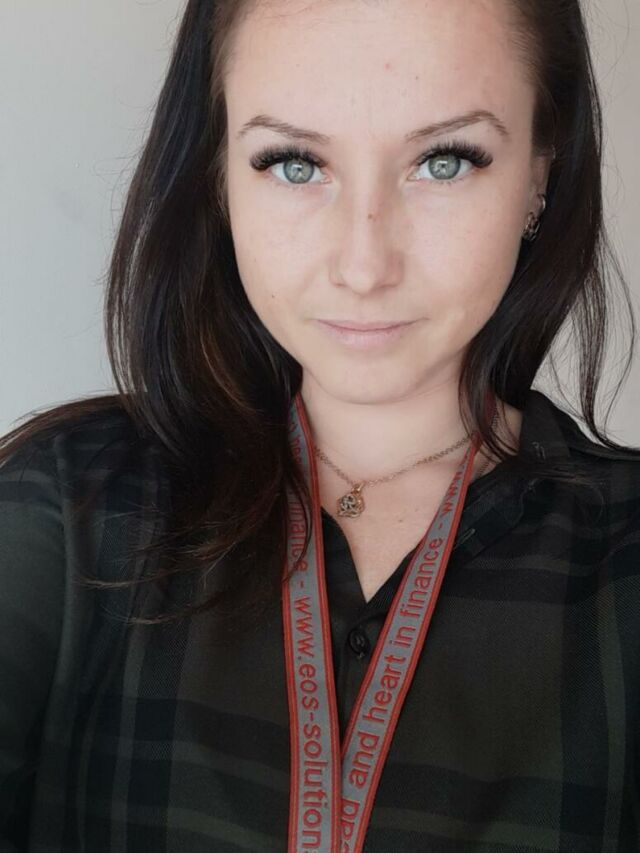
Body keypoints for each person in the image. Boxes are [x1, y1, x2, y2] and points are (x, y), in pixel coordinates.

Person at [1, 0, 639, 850]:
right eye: (295, 163)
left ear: (538, 173)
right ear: (218, 176)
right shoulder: (64, 510)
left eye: (444, 161)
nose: (364, 265)